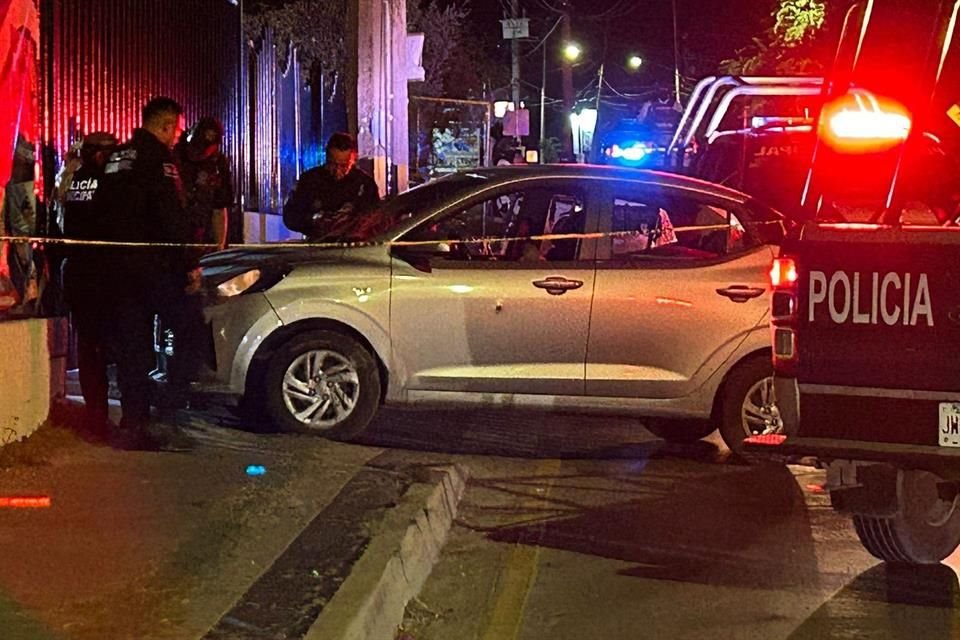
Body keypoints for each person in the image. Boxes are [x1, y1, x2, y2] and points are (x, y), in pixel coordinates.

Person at [94, 96, 193, 450]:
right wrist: (189, 264)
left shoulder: (118, 157)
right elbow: (170, 217)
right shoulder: (160, 160)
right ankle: (169, 410)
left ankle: (133, 420)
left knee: (131, 345)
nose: (178, 136)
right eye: (177, 129)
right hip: (154, 267)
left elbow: (101, 211)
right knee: (188, 328)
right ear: (165, 126)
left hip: (116, 268)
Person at [61, 132, 119, 439]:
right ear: (99, 154)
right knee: (104, 346)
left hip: (78, 273)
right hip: (101, 274)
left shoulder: (74, 180)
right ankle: (100, 418)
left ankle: (95, 414)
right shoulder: (107, 181)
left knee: (88, 347)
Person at [283, 132, 380, 239]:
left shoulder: (365, 184)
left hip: (353, 246)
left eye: (343, 166)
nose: (337, 171)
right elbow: (290, 216)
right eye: (332, 164)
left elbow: (375, 219)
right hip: (317, 245)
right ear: (326, 157)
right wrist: (313, 220)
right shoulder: (309, 180)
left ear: (353, 161)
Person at [174, 117, 233, 250]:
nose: (202, 152)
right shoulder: (175, 156)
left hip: (203, 235)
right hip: (175, 233)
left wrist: (220, 247)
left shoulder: (218, 163)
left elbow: (220, 207)